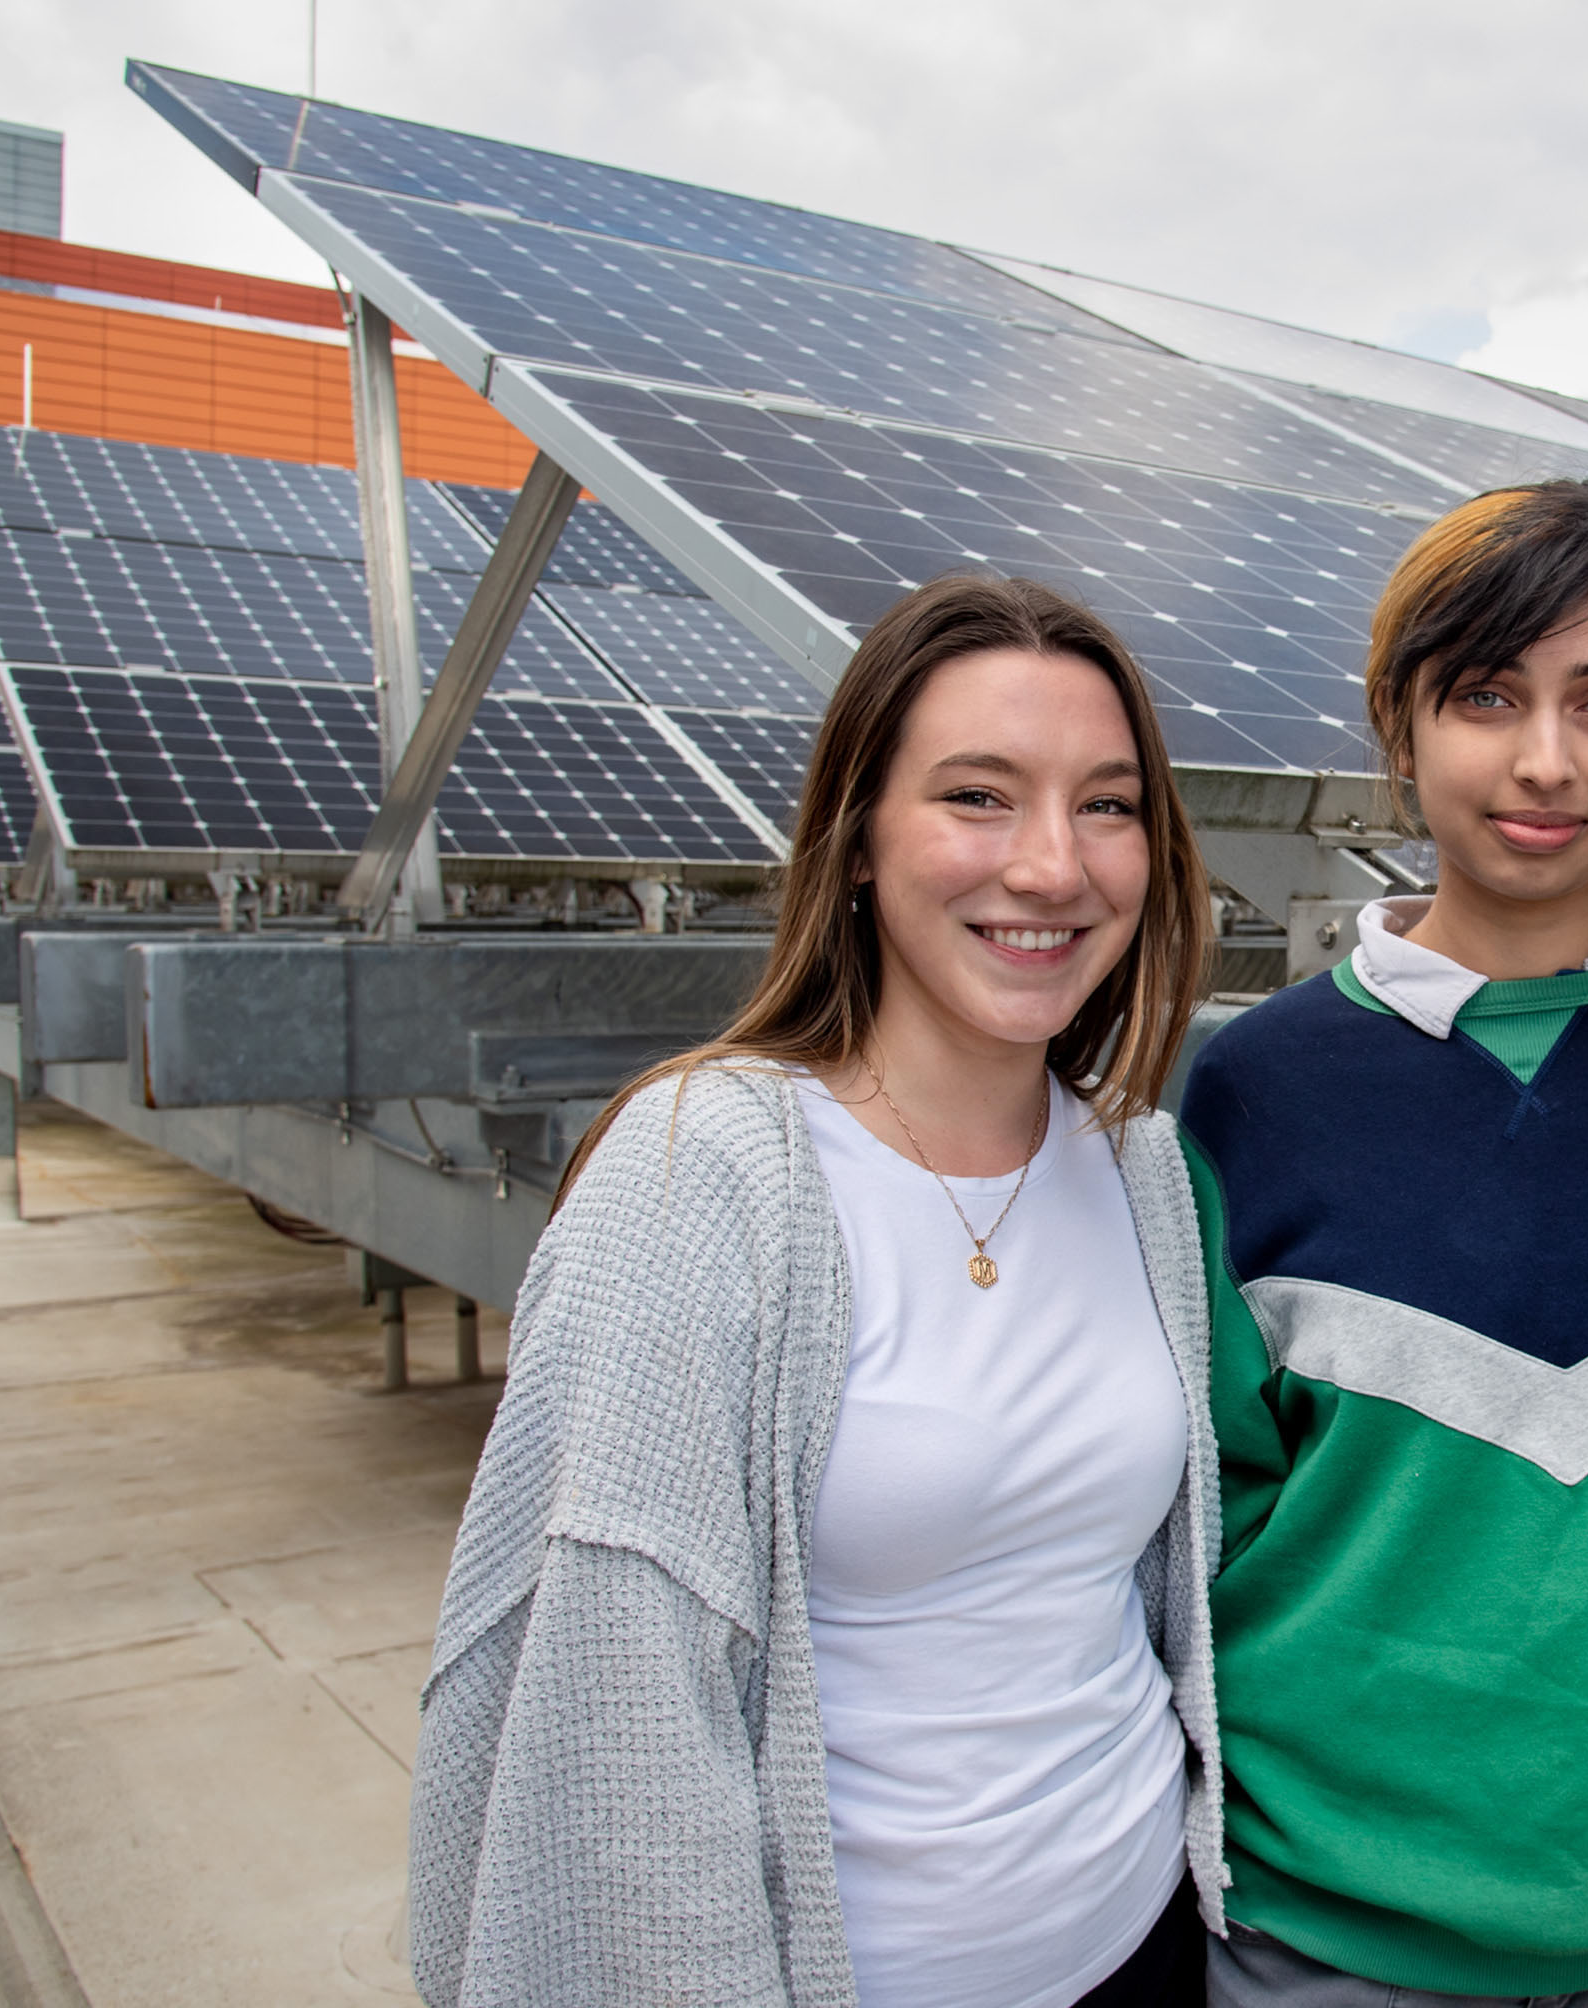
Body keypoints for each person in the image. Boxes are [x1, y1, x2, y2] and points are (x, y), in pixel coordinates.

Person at [408, 574, 1227, 2008]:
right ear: (855, 842)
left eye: (1107, 806)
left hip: (1143, 1945)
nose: (1052, 866)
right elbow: (617, 1700)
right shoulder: (705, 1171)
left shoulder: (1139, 1169)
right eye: (978, 796)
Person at [1180, 480, 1588, 2006]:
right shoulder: (1243, 1094)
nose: (1545, 759)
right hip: (1324, 1941)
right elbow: (1201, 1521)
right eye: (1483, 696)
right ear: (1399, 729)